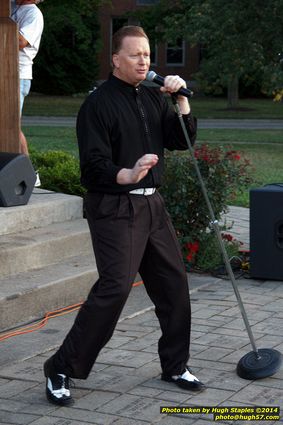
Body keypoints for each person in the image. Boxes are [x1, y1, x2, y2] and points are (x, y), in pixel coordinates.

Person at [43, 25, 205, 406]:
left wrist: (181, 101)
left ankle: (175, 365)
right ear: (115, 60)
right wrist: (127, 174)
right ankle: (61, 366)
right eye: (135, 55)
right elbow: (93, 167)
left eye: (147, 54)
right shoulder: (97, 105)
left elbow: (179, 140)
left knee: (174, 286)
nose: (144, 61)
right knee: (115, 289)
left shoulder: (153, 98)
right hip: (115, 208)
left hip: (153, 206)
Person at [11, 0, 44, 185]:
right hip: (6, 73)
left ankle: (30, 174)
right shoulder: (14, 8)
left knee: (11, 126)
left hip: (18, 76)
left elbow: (21, 41)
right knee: (9, 126)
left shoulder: (34, 14)